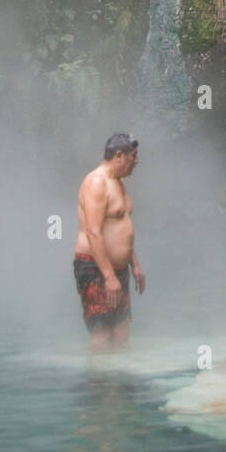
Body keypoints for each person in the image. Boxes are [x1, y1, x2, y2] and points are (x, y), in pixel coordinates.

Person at [73, 133, 145, 349]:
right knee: (101, 332)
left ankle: (119, 381)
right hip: (96, 268)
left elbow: (121, 229)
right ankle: (99, 382)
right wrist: (108, 276)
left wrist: (136, 265)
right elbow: (93, 233)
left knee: (121, 331)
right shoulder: (96, 182)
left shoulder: (119, 184)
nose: (137, 161)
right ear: (119, 155)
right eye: (134, 156)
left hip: (117, 270)